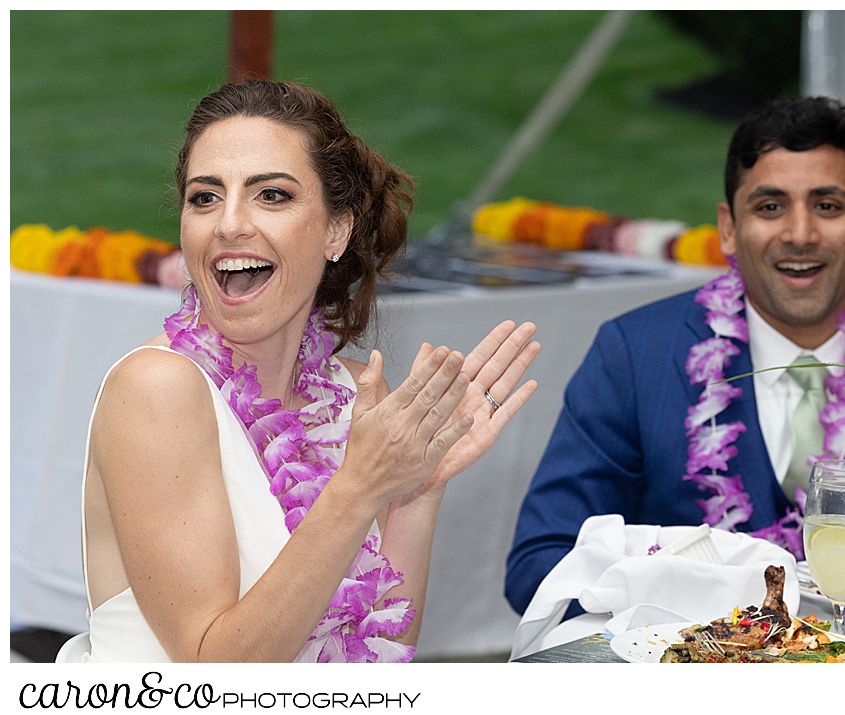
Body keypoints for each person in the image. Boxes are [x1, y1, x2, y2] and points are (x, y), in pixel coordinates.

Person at [80, 79, 540, 662]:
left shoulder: (353, 391)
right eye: (205, 197)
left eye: (270, 195)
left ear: (335, 230)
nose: (228, 224)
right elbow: (212, 675)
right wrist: (359, 488)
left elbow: (378, 651)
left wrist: (419, 489)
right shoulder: (158, 388)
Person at [505, 96, 845, 618]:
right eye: (770, 206)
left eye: (828, 206)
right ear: (729, 228)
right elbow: (542, 562)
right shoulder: (636, 356)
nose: (799, 234)